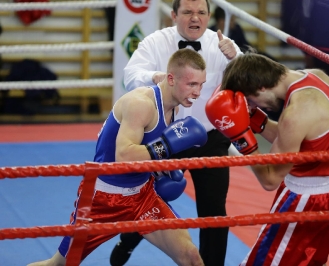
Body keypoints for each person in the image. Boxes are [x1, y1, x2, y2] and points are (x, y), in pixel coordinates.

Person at [27, 48, 209, 266]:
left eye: (201, 85)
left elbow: (149, 153)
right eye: (192, 84)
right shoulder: (140, 104)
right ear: (171, 78)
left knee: (190, 257)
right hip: (103, 198)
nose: (197, 92)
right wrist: (167, 146)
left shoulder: (175, 109)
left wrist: (163, 168)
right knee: (58, 265)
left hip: (142, 196)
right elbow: (124, 155)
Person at [109, 0, 243, 265]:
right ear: (174, 15)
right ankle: (128, 239)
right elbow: (130, 75)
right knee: (150, 199)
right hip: (166, 135)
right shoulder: (155, 42)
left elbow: (248, 84)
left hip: (210, 136)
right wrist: (158, 77)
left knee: (214, 211)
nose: (195, 18)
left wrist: (237, 59)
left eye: (201, 12)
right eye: (188, 12)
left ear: (208, 16)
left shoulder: (224, 45)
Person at [205, 53, 329, 265]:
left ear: (261, 87)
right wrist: (254, 118)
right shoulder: (317, 77)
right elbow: (296, 138)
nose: (255, 106)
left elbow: (270, 179)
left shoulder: (296, 113)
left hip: (305, 199)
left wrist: (241, 139)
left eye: (251, 101)